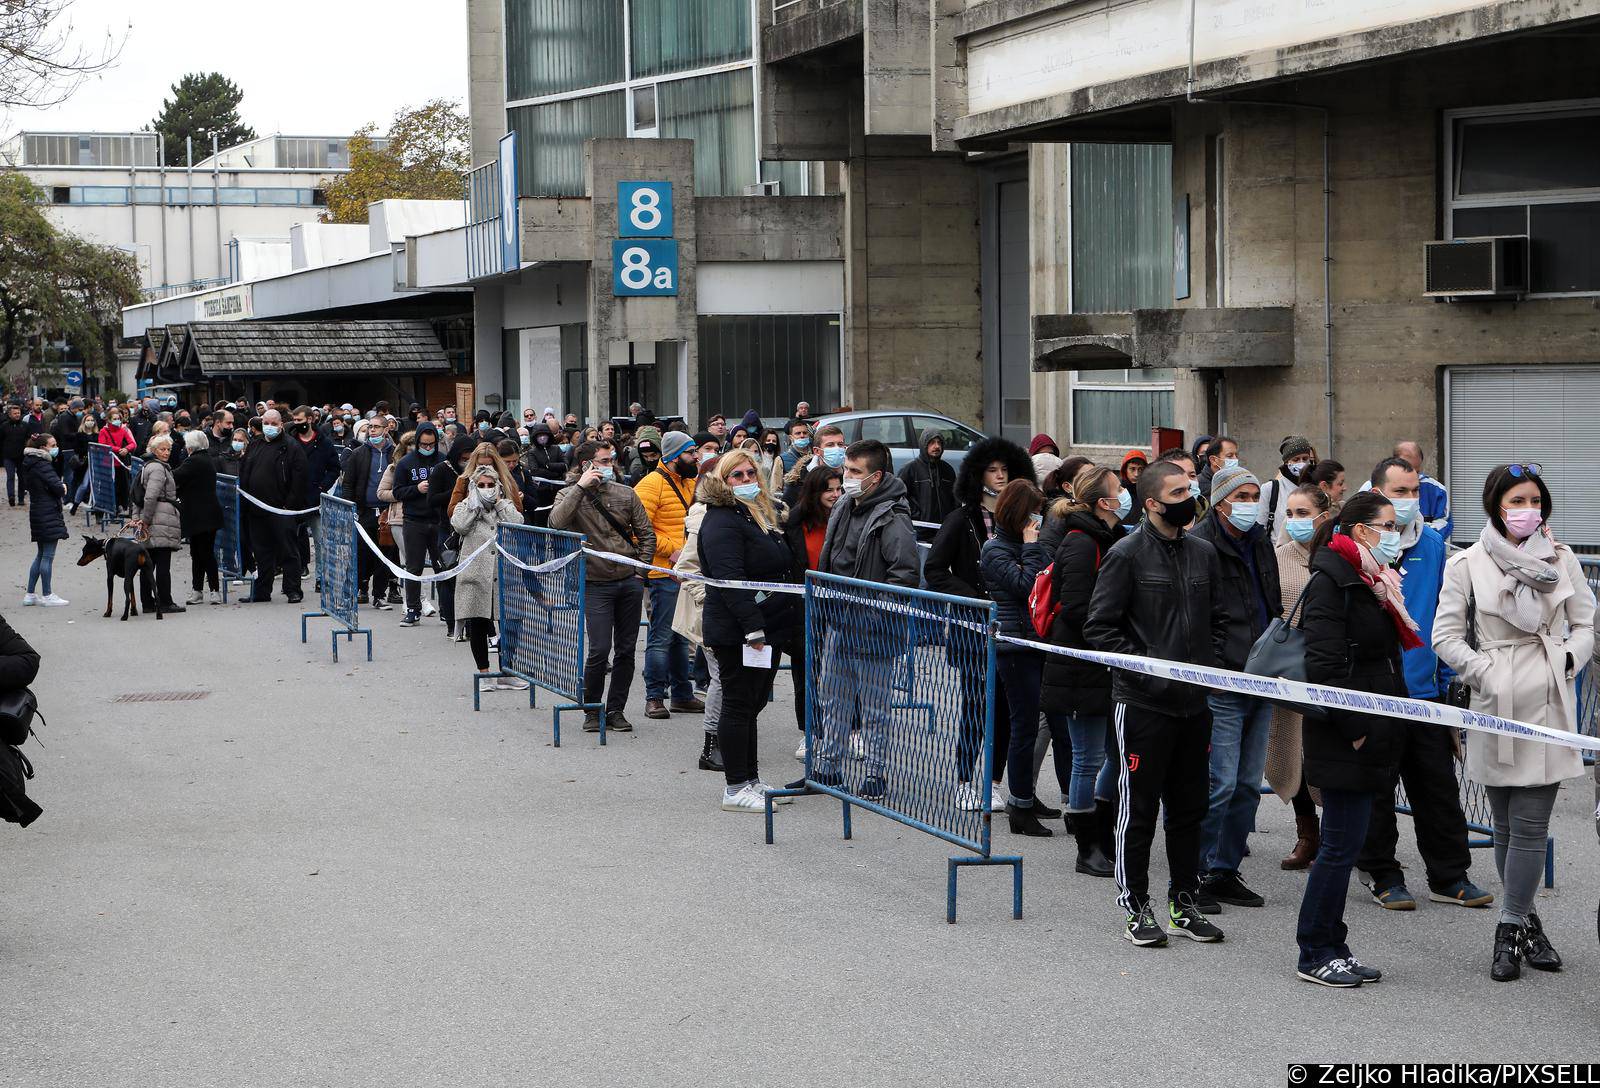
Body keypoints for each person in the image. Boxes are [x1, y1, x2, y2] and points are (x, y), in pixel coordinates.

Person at [1434, 462, 1594, 982]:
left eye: (1534, 501)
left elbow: (1586, 622)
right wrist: (1487, 673)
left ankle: (1507, 929)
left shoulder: (1562, 558)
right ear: (1495, 507)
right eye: (1517, 501)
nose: (1528, 511)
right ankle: (1528, 922)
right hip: (1496, 701)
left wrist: (1567, 661)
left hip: (1548, 696)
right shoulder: (1467, 563)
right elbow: (1446, 636)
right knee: (1504, 825)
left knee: (1529, 824)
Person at [1085, 461, 1231, 947]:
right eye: (1177, 492)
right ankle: (1135, 904)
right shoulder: (1125, 555)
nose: (1188, 498)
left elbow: (1221, 618)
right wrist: (1153, 670)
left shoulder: (1203, 553)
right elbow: (1100, 629)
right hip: (1143, 704)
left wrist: (1209, 665)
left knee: (1190, 809)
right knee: (1139, 808)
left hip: (1195, 705)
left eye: (1189, 489)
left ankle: (1183, 902)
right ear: (1150, 502)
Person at [1359, 456, 1490, 912]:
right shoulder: (1354, 544)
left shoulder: (1433, 545)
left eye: (1415, 492)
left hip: (1424, 694)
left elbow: (1447, 621)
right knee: (1376, 791)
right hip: (1375, 692)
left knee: (1437, 788)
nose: (1410, 501)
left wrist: (1452, 684)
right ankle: (1382, 874)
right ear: (1377, 494)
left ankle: (1450, 875)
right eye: (1400, 492)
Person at [1295, 490, 1412, 988]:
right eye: (1387, 525)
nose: (1396, 534)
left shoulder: (1369, 579)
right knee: (1339, 847)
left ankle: (1333, 944)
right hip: (1348, 734)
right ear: (1360, 530)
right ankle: (1316, 950)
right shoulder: (1333, 582)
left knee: (1345, 844)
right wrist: (1358, 731)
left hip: (1372, 728)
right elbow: (1322, 666)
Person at [1189, 465, 1282, 910]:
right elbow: (1196, 613)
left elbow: (1270, 599)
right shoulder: (1201, 544)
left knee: (1248, 784)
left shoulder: (1259, 541)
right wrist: (1216, 665)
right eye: (1242, 496)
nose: (1250, 503)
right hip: (1222, 681)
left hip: (1260, 677)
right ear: (1221, 499)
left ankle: (1225, 869)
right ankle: (1196, 869)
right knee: (1219, 783)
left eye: (1253, 495)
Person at [923, 438, 1033, 812]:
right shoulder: (961, 519)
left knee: (1005, 709)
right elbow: (935, 570)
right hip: (973, 629)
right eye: (992, 469)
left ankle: (994, 780)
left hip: (1015, 631)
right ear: (977, 475)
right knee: (975, 705)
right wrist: (974, 598)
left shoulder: (1023, 523)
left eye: (1005, 470)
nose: (1000, 476)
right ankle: (965, 780)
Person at [811, 439, 921, 796]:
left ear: (876, 476)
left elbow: (903, 573)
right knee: (833, 699)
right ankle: (828, 768)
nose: (846, 477)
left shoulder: (893, 516)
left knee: (875, 708)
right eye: (845, 469)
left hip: (874, 628)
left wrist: (875, 616)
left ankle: (875, 774)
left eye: (855, 472)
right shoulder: (845, 504)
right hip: (839, 621)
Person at [697, 450, 802, 812]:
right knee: (738, 704)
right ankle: (735, 787)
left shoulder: (757, 513)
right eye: (736, 476)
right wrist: (753, 627)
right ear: (723, 481)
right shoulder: (721, 521)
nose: (745, 480)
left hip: (767, 629)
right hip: (740, 631)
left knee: (753, 704)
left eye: (749, 473)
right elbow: (730, 581)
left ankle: (751, 780)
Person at [1040, 465, 1127, 875]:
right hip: (1080, 662)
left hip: (1102, 662)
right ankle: (1086, 845)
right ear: (1103, 502)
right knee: (1087, 757)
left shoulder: (1109, 536)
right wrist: (1116, 629)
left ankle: (1102, 827)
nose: (1123, 493)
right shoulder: (1079, 542)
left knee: (1115, 753)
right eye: (1118, 489)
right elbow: (1075, 607)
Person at [979, 478, 1076, 837]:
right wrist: (1032, 547)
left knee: (1058, 722)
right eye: (1033, 511)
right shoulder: (996, 549)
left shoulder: (1026, 544)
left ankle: (1046, 798)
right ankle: (1019, 807)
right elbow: (1029, 586)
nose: (1039, 518)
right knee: (1022, 727)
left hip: (1039, 642)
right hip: (1013, 646)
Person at [550, 440, 656, 733]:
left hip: (628, 582)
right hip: (594, 584)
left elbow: (646, 535)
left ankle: (616, 710)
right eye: (605, 461)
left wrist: (639, 572)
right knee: (599, 649)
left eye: (611, 460)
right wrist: (581, 487)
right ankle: (592, 709)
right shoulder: (568, 494)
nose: (611, 465)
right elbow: (556, 522)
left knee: (625, 650)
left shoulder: (626, 492)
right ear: (586, 465)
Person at [1266, 484, 1335, 870]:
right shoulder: (1277, 558)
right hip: (1290, 671)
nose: (1295, 522)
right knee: (1293, 751)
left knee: (1333, 751)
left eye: (1303, 513)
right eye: (1289, 514)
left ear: (1324, 515)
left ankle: (1343, 836)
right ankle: (1307, 834)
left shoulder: (1340, 555)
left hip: (1333, 669)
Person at [634, 431, 705, 720]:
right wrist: (673, 551)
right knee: (662, 636)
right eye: (691, 453)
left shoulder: (692, 481)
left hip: (688, 572)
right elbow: (638, 530)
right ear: (675, 457)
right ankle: (654, 696)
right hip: (664, 572)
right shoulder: (651, 484)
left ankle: (682, 695)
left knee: (681, 635)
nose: (696, 457)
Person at [779, 463, 840, 764]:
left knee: (841, 673)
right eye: (829, 489)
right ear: (814, 492)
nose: (835, 494)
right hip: (804, 607)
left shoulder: (844, 520)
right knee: (807, 671)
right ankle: (810, 732)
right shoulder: (794, 524)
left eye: (838, 489)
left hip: (839, 606)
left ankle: (845, 732)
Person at [449, 458, 528, 691]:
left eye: (490, 484)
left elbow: (518, 522)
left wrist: (502, 503)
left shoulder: (504, 505)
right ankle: (483, 673)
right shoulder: (466, 505)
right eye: (481, 485)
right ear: (474, 487)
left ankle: (507, 671)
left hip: (504, 574)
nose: (486, 489)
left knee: (510, 623)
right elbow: (460, 526)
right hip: (475, 576)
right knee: (479, 624)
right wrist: (474, 504)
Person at [239, 410, 308, 604]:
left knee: (288, 551)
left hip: (281, 510)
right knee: (262, 553)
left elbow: (299, 478)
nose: (269, 426)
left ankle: (292, 589)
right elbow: (245, 471)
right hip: (256, 510)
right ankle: (262, 591)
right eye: (265, 422)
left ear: (280, 424)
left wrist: (289, 505)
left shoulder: (291, 447)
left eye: (273, 423)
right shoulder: (255, 445)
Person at [390, 423, 448, 628]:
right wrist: (417, 488)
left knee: (443, 565)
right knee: (414, 567)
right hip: (414, 520)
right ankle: (413, 609)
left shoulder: (443, 461)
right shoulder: (406, 463)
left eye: (431, 444)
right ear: (417, 442)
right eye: (424, 444)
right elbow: (397, 492)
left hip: (439, 521)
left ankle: (446, 610)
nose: (428, 447)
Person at [340, 423, 392, 609]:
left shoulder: (394, 453)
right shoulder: (358, 454)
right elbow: (348, 483)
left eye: (377, 427)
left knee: (384, 556)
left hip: (387, 514)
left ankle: (379, 595)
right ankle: (352, 593)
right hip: (364, 512)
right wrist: (349, 506)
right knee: (360, 553)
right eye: (370, 427)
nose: (372, 430)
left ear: (386, 430)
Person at [133, 434, 185, 614]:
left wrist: (139, 518)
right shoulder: (157, 469)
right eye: (162, 449)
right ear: (154, 451)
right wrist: (145, 520)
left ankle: (147, 602)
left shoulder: (148, 466)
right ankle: (164, 601)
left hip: (155, 519)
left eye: (168, 449)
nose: (166, 452)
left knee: (149, 563)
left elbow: (138, 496)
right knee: (162, 564)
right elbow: (150, 496)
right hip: (159, 520)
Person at [173, 430, 224, 605]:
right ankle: (200, 590)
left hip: (201, 515)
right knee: (200, 552)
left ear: (189, 447)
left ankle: (211, 591)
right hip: (204, 514)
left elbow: (175, 476)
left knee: (204, 553)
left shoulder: (194, 461)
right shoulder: (204, 458)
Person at [291, 405, 341, 583]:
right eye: (295, 420)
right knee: (292, 540)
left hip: (315, 498)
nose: (297, 424)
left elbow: (334, 468)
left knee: (320, 541)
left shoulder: (323, 442)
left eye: (300, 420)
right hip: (293, 498)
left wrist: (322, 487)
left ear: (310, 420)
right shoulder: (291, 441)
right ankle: (294, 576)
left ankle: (321, 577)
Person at [19, 435, 68, 607]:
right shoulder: (43, 465)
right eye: (53, 445)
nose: (56, 448)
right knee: (47, 555)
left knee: (40, 555)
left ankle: (30, 594)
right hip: (48, 511)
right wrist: (63, 488)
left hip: (38, 509)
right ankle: (47, 595)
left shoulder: (30, 462)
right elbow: (57, 487)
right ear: (42, 447)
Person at [1259, 435, 1317, 544]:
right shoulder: (1271, 489)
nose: (1301, 463)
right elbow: (1260, 528)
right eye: (1296, 459)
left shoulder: (1316, 487)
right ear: (1287, 462)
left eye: (1305, 459)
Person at [898, 428, 957, 527]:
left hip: (944, 528)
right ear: (924, 444)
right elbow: (899, 498)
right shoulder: (910, 469)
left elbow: (956, 499)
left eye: (939, 443)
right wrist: (916, 515)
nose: (937, 446)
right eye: (932, 442)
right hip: (920, 528)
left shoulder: (948, 470)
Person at [1394, 440, 1452, 540]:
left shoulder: (1436, 490)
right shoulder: (1374, 486)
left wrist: (1417, 533)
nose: (1411, 477)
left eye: (1416, 471)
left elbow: (1443, 524)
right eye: (1406, 471)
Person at [520, 422, 567, 525]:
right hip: (541, 491)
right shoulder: (533, 452)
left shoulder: (556, 449)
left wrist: (548, 466)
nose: (542, 438)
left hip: (558, 490)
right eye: (539, 436)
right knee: (541, 518)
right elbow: (535, 470)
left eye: (544, 435)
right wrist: (555, 472)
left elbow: (565, 465)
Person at [1, 402, 41, 508]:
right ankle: (11, 497)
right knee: (10, 476)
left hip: (21, 456)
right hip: (8, 456)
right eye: (15, 413)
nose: (17, 415)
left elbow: (29, 437)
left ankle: (21, 498)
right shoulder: (4, 426)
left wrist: (33, 438)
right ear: (10, 414)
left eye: (18, 413)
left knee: (22, 477)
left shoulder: (25, 425)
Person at [1197, 435, 1239, 500]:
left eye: (1236, 455)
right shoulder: (1197, 486)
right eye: (1229, 456)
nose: (1235, 459)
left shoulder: (1239, 482)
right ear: (1213, 460)